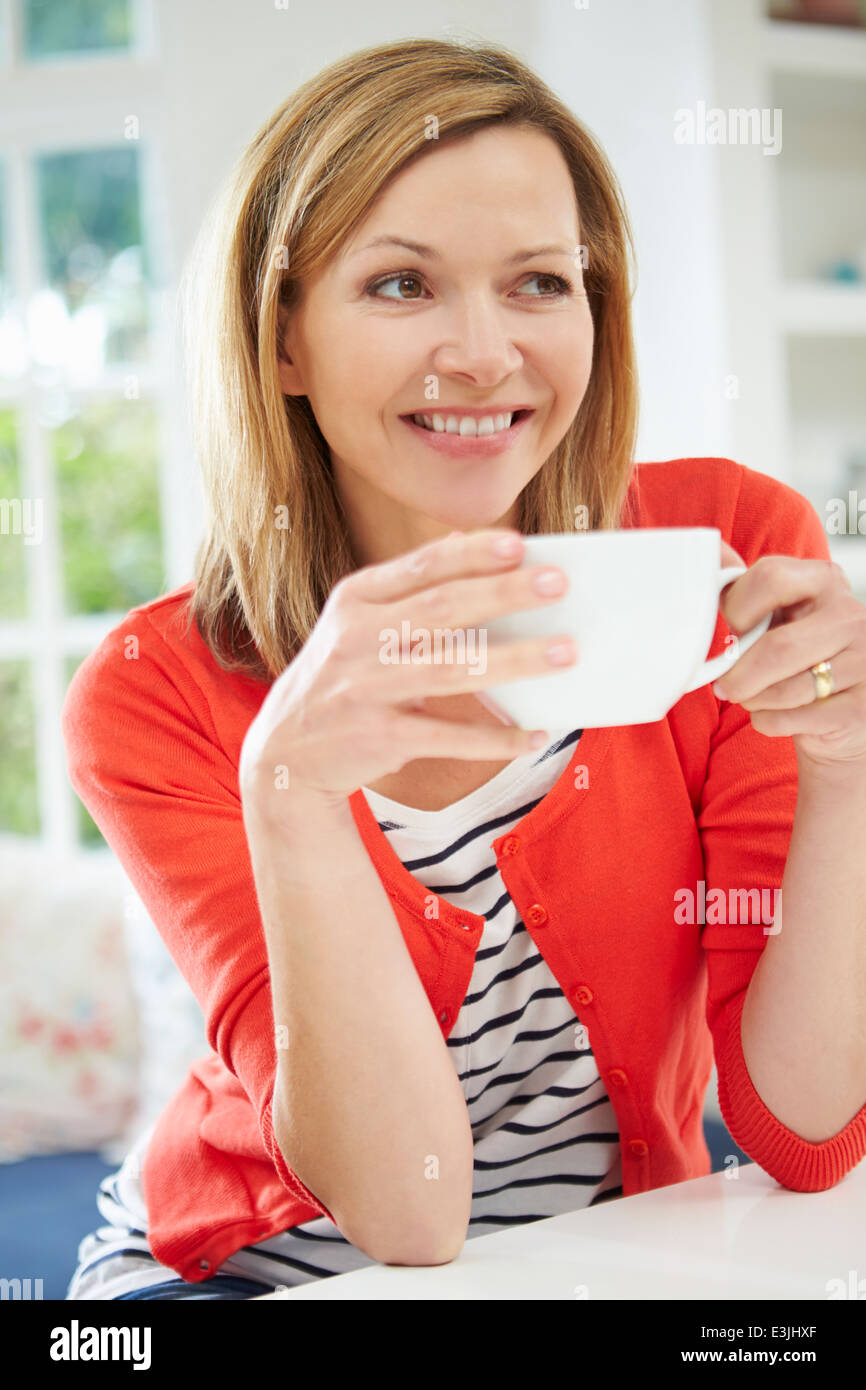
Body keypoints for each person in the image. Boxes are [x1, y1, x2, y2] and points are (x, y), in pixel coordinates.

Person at [62, 37, 866, 1300]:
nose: (485, 353)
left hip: (588, 1265)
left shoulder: (724, 557)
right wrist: (289, 793)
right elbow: (406, 1217)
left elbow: (802, 1138)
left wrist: (846, 774)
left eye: (540, 282)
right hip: (240, 1279)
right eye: (400, 286)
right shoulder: (154, 688)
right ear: (281, 343)